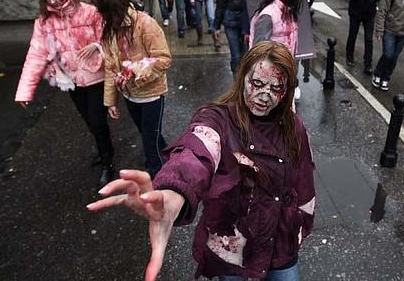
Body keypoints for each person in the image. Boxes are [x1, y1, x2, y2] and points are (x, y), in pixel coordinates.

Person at [87, 42, 316, 281]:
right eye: (257, 83)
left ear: (286, 91)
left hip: (280, 244)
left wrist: (299, 225)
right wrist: (174, 192)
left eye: (275, 88)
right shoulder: (218, 119)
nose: (264, 95)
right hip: (232, 243)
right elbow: (197, 151)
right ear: (242, 77)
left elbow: (303, 182)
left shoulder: (293, 127)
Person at [15, 0, 115, 187]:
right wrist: (24, 90)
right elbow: (36, 54)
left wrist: (97, 47)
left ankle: (108, 163)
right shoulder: (44, 23)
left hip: (96, 77)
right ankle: (103, 148)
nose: (52, 0)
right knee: (89, 121)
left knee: (98, 121)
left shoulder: (90, 13)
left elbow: (110, 41)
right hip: (72, 81)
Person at [88, 0, 172, 179]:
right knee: (148, 134)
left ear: (110, 6)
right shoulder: (108, 29)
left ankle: (159, 178)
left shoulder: (145, 24)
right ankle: (169, 153)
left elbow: (164, 59)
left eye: (100, 8)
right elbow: (110, 67)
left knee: (149, 143)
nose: (98, 13)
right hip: (130, 95)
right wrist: (110, 102)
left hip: (151, 94)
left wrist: (137, 70)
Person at [343, 0, 384, 73]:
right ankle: (349, 56)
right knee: (352, 35)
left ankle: (368, 63)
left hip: (369, 13)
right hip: (355, 12)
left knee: (368, 39)